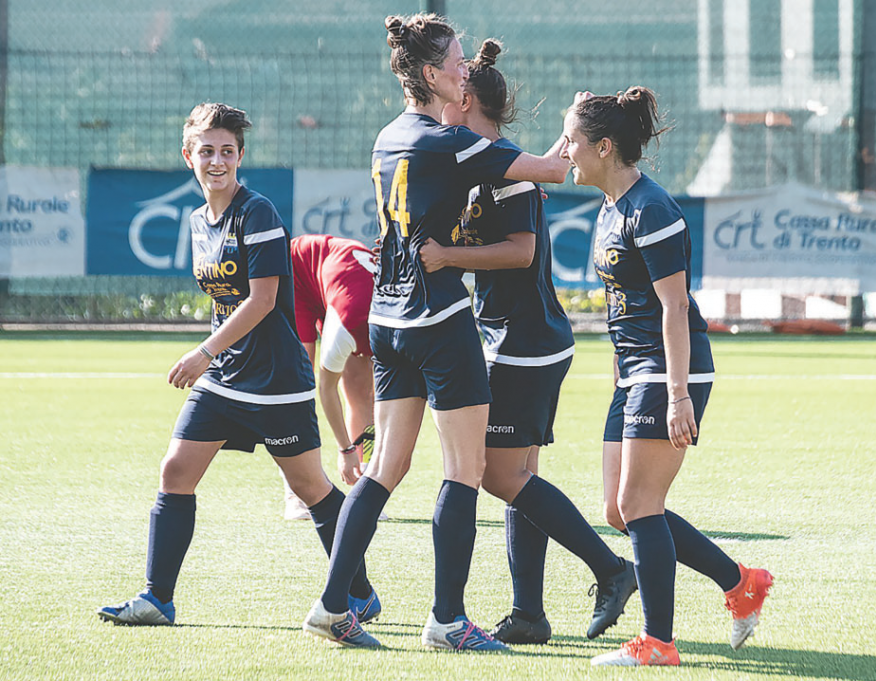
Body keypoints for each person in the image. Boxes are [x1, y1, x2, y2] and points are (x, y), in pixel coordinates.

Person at [301, 14, 569, 652]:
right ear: (429, 74)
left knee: (386, 467)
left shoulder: (388, 136)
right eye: (454, 62)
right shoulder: (453, 142)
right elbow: (557, 169)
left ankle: (332, 604)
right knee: (464, 467)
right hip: (442, 322)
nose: (463, 71)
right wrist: (579, 123)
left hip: (388, 319)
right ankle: (448, 621)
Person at [96, 103, 379, 635]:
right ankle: (158, 598)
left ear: (240, 156)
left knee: (312, 487)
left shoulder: (259, 213)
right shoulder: (198, 220)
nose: (217, 160)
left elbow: (264, 300)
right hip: (225, 380)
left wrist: (201, 352)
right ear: (189, 157)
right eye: (206, 151)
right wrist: (214, 359)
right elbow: (222, 302)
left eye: (227, 151)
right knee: (175, 470)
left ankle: (359, 592)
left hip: (276, 383)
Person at [419, 38, 636, 645]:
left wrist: (446, 257)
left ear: (464, 99)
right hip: (516, 337)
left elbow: (523, 251)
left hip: (526, 342)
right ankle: (529, 614)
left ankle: (613, 569)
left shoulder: (500, 165)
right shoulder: (489, 162)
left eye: (451, 96)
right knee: (521, 474)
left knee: (494, 473)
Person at [558, 88, 774, 667]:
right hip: (634, 373)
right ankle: (741, 581)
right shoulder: (610, 206)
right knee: (619, 509)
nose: (564, 151)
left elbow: (674, 308)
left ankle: (658, 643)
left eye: (572, 140)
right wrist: (620, 380)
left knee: (640, 502)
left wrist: (678, 394)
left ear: (604, 147)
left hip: (668, 369)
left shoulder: (651, 209)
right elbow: (622, 307)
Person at [282, 233, 380, 521]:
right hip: (298, 272)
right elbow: (326, 389)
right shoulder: (348, 327)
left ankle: (368, 487)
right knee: (298, 387)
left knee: (363, 393)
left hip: (340, 282)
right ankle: (295, 493)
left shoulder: (403, 329)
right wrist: (345, 448)